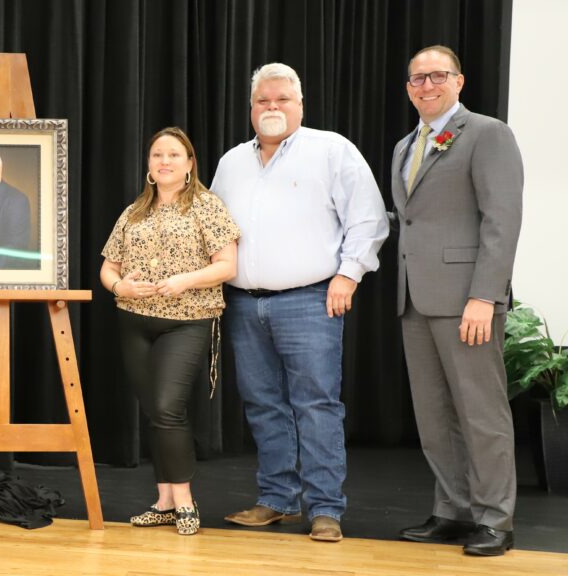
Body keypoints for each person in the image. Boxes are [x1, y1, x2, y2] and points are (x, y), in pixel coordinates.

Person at [210, 63, 388, 542]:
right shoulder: (230, 163)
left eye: (282, 100)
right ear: (251, 109)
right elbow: (212, 232)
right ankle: (276, 500)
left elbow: (368, 219)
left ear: (300, 104)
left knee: (316, 405)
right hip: (245, 304)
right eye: (263, 101)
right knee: (263, 404)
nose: (272, 107)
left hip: (311, 301)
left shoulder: (331, 151)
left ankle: (326, 508)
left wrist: (348, 275)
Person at [392, 45, 522, 557]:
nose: (427, 85)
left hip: (468, 300)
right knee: (434, 416)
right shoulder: (406, 145)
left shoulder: (487, 134)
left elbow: (501, 220)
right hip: (415, 300)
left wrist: (484, 296)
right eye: (417, 78)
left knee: (481, 414)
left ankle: (495, 519)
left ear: (459, 81)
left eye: (437, 76)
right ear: (408, 88)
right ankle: (453, 510)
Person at [100, 127, 239, 536]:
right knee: (154, 413)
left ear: (190, 163)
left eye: (174, 155)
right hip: (134, 321)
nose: (164, 161)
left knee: (167, 408)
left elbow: (227, 266)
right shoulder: (134, 211)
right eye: (157, 155)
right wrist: (119, 286)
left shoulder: (207, 206)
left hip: (186, 321)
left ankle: (184, 501)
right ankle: (163, 501)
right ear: (149, 165)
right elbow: (109, 267)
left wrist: (186, 280)